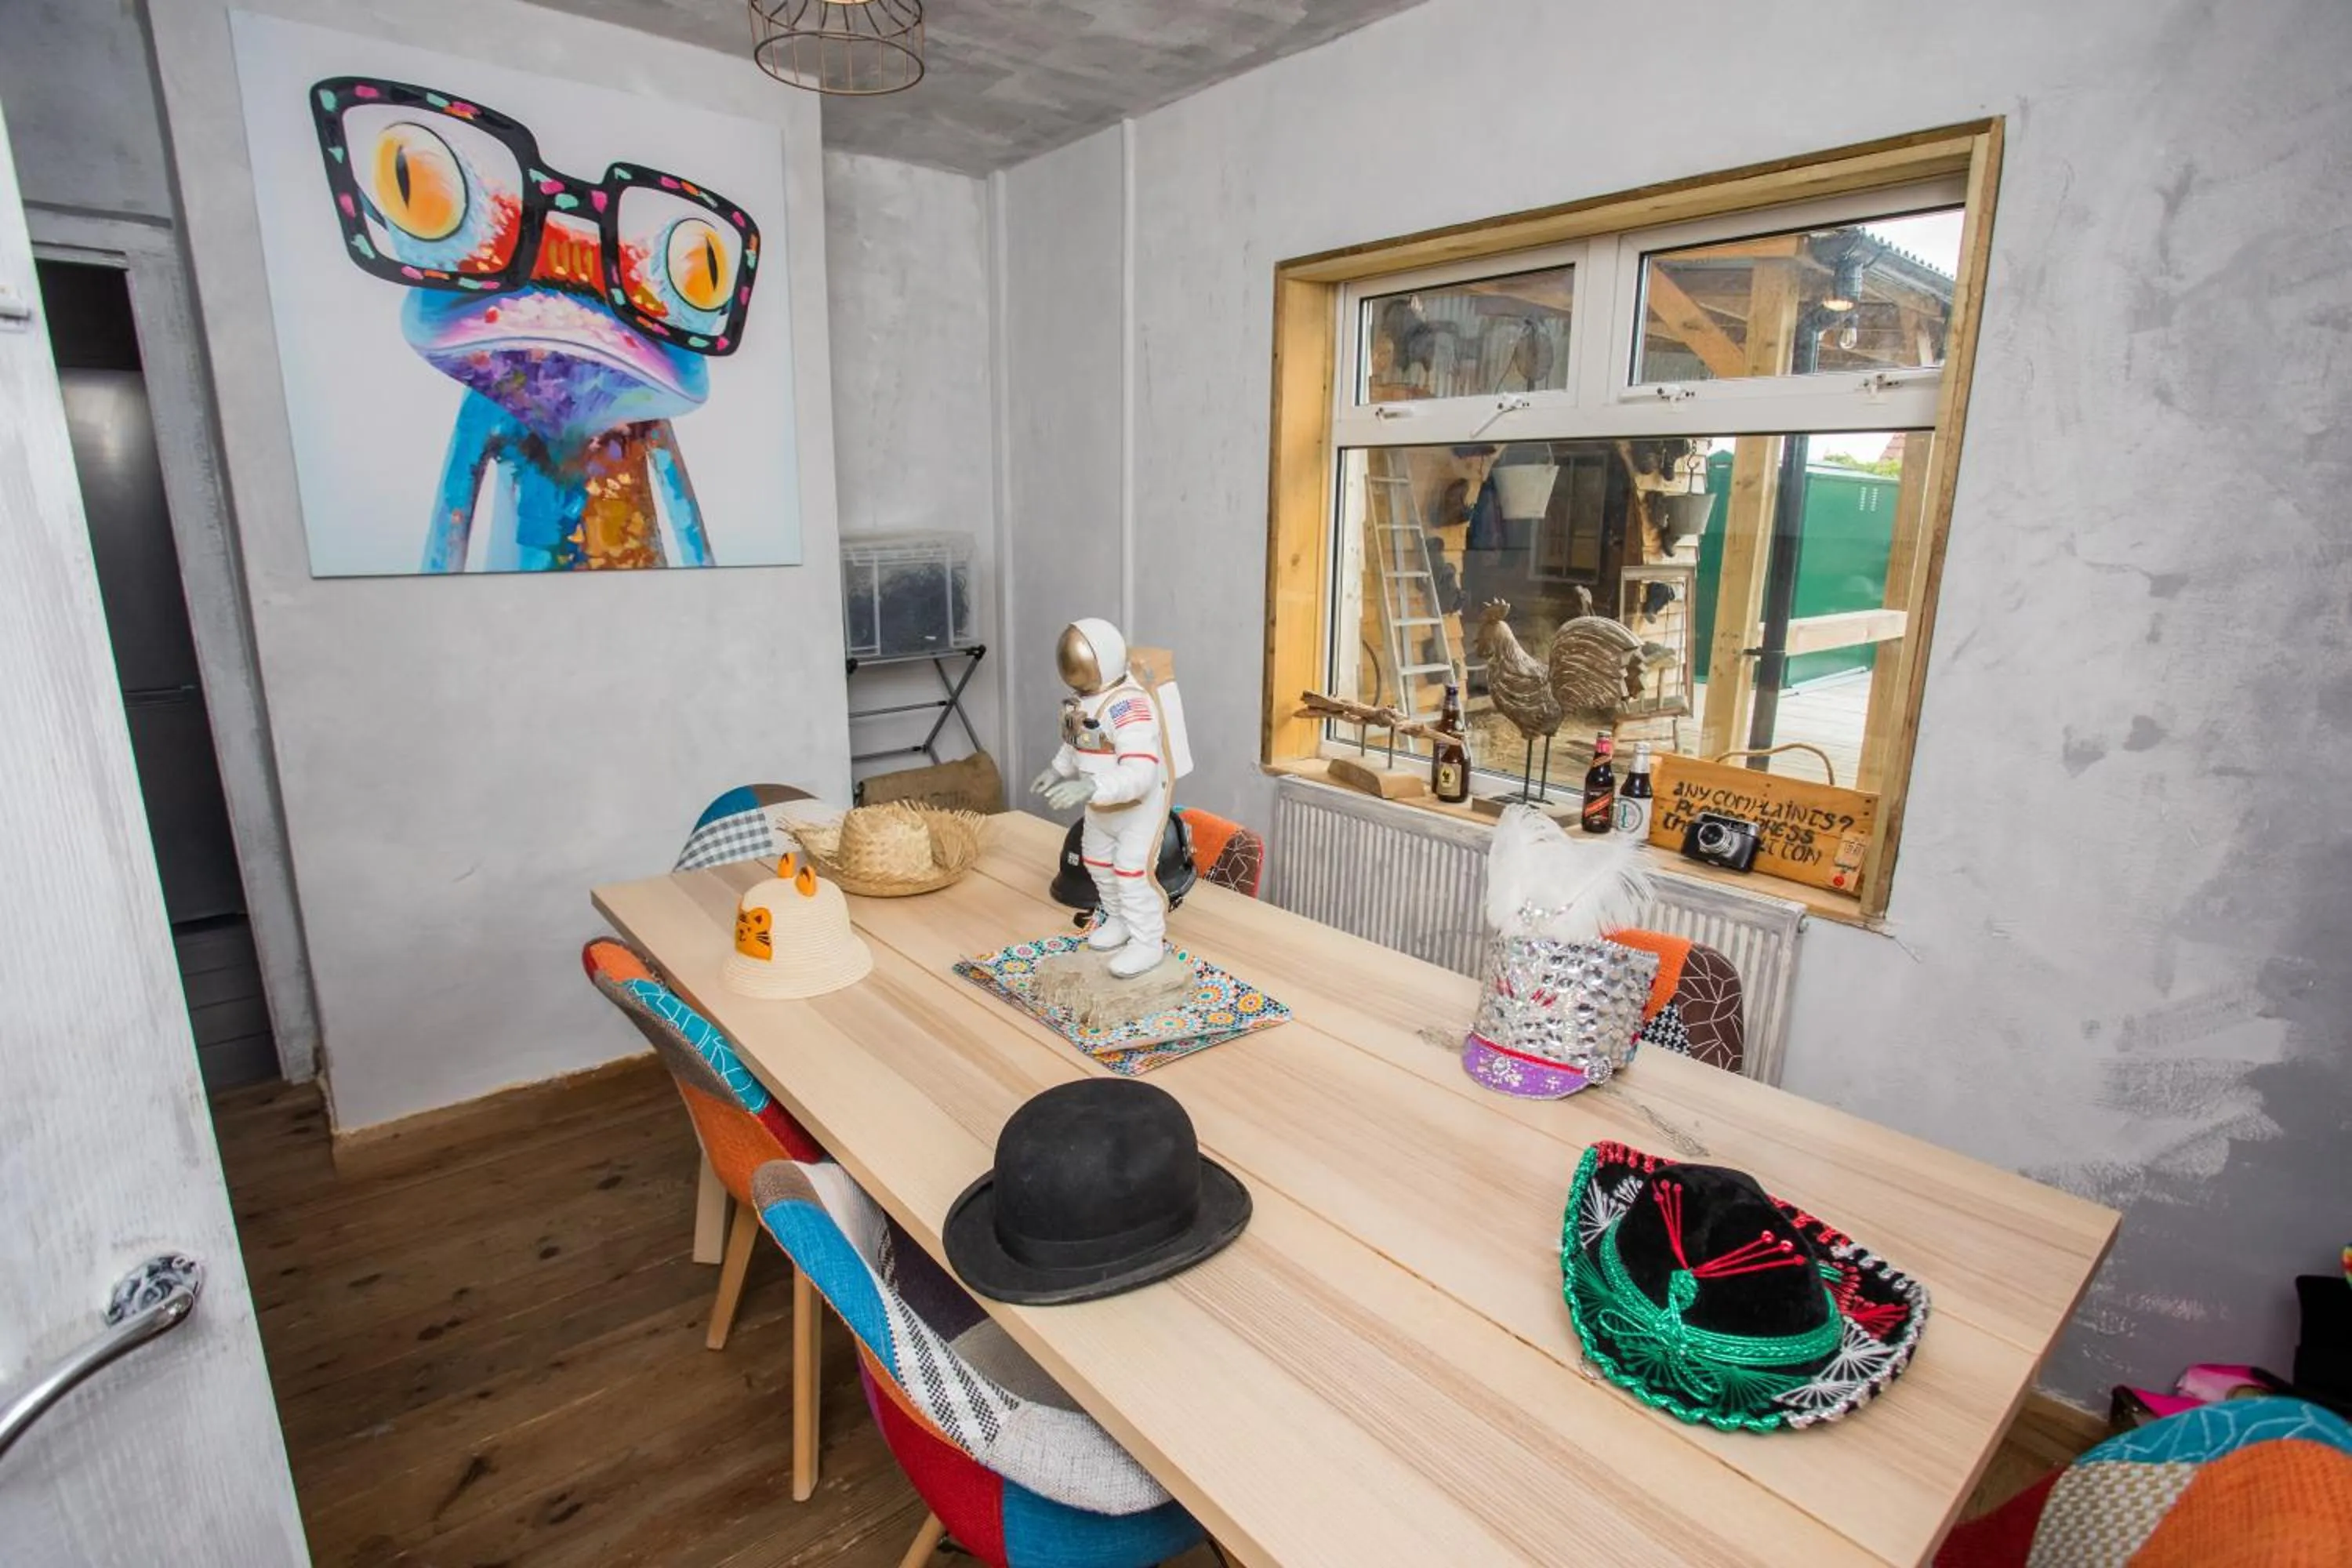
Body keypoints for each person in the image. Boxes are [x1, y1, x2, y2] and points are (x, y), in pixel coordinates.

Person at [1030, 619, 1172, 978]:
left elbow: (1140, 774)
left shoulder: (1129, 707)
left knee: (1130, 872)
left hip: (1136, 811)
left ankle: (1147, 942)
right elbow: (1076, 742)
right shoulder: (1085, 702)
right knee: (1096, 862)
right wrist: (1057, 771)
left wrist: (1091, 788)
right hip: (1100, 807)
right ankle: (1119, 919)